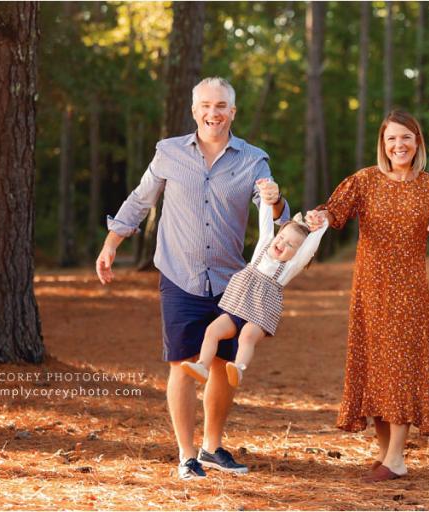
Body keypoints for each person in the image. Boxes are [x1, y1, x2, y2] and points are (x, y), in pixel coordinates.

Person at [95, 77, 290, 480]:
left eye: (221, 106)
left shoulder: (254, 160)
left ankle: (213, 446)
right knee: (183, 363)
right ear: (194, 110)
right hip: (179, 275)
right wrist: (112, 243)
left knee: (223, 364)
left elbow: (277, 220)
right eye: (205, 105)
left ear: (233, 112)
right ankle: (187, 456)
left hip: (229, 280)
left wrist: (276, 200)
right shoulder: (168, 152)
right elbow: (140, 199)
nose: (213, 113)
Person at [306, 110, 429, 482]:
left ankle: (396, 459)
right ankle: (384, 454)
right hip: (370, 291)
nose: (398, 145)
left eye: (406, 137)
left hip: (409, 293)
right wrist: (318, 218)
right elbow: (334, 213)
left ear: (417, 142)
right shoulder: (365, 181)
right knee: (374, 368)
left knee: (402, 370)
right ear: (383, 144)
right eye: (391, 139)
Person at [181, 183, 329, 388]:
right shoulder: (264, 246)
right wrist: (265, 196)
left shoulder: (288, 268)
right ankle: (202, 365)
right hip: (237, 305)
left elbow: (309, 249)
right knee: (212, 330)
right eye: (282, 238)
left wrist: (321, 229)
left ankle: (238, 369)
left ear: (297, 254)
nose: (282, 244)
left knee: (247, 336)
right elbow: (266, 222)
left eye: (290, 245)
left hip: (260, 312)